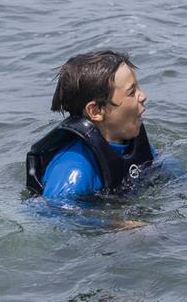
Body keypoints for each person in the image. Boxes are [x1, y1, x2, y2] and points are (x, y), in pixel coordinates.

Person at [25, 50, 155, 199]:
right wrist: (115, 222)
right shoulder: (75, 171)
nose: (143, 96)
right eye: (131, 92)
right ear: (95, 111)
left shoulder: (129, 139)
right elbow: (50, 214)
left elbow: (156, 165)